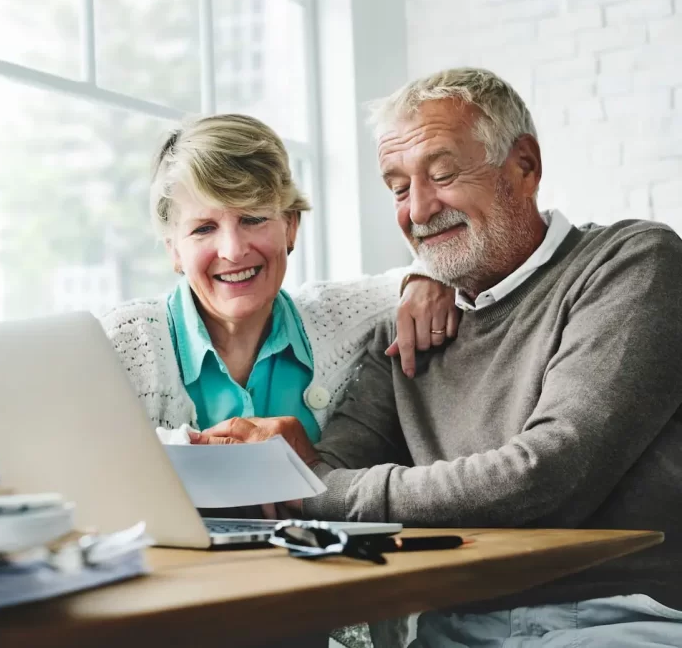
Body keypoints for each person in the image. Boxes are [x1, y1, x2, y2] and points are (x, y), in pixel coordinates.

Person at [197, 69, 682, 647]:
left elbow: (549, 474)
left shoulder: (632, 264)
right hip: (452, 626)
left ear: (524, 166)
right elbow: (326, 478)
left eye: (444, 174)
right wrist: (282, 469)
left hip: (621, 616)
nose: (419, 210)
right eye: (398, 188)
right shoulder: (404, 333)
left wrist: (314, 486)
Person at [101, 113, 457, 441]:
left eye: (253, 219)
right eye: (204, 228)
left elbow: (441, 268)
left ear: (290, 226)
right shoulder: (123, 343)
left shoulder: (342, 319)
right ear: (174, 250)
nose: (233, 250)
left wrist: (426, 280)